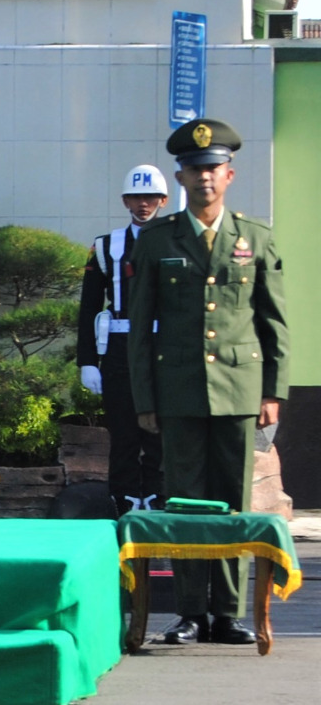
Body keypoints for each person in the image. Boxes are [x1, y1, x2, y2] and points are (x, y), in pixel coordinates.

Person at [128, 118, 289, 645]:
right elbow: (139, 329)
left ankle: (228, 613)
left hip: (240, 391)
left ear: (230, 175)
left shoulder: (255, 238)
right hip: (177, 391)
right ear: (181, 176)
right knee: (184, 501)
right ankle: (191, 613)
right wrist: (145, 398)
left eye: (213, 170)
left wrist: (272, 391)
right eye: (194, 170)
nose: (204, 179)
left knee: (233, 502)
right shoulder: (157, 241)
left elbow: (274, 323)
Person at [77, 165, 169, 516]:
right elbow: (88, 308)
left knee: (159, 428)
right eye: (135, 197)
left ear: (163, 200)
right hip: (119, 348)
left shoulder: (174, 241)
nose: (143, 204)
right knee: (123, 429)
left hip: (163, 347)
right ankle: (126, 497)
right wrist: (87, 360)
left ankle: (158, 496)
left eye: (150, 197)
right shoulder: (105, 247)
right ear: (125, 200)